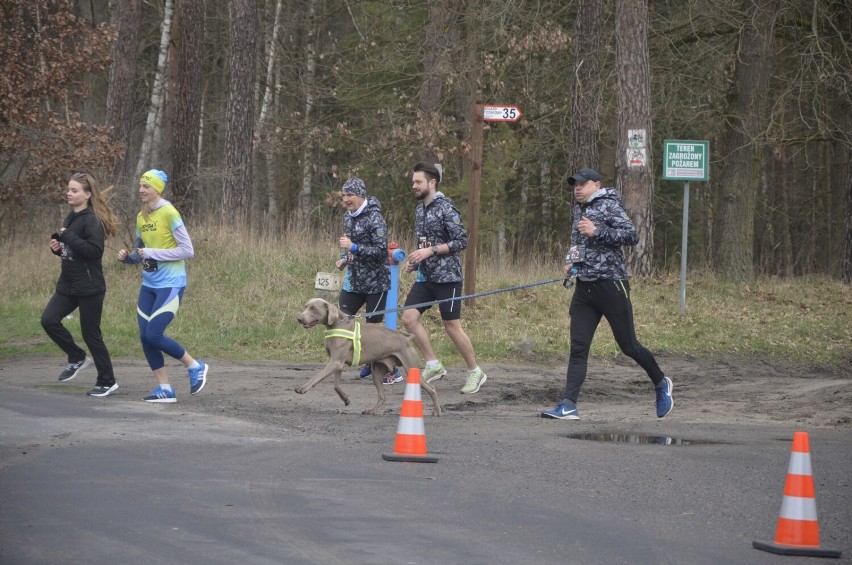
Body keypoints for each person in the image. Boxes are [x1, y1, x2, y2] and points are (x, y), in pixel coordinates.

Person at [541, 167, 673, 420]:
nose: (577, 188)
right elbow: (578, 244)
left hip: (611, 285)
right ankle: (569, 404)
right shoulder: (579, 210)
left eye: (582, 183)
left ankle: (660, 382)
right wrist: (571, 263)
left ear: (597, 184)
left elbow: (632, 236)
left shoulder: (609, 205)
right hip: (584, 289)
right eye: (574, 184)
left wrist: (597, 231)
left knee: (629, 346)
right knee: (578, 348)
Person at [117, 169, 208, 403]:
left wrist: (152, 253)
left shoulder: (169, 212)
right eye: (139, 186)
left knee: (154, 334)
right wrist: (128, 257)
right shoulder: (141, 216)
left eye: (145, 186)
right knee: (145, 337)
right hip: (149, 285)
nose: (140, 190)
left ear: (157, 188)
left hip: (171, 284)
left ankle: (195, 365)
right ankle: (165, 388)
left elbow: (188, 250)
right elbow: (140, 251)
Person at [401, 162, 486, 394]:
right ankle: (433, 363)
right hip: (425, 277)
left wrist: (431, 251)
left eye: (418, 182)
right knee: (408, 317)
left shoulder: (447, 208)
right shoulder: (420, 210)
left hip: (448, 278)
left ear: (432, 182)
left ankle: (474, 371)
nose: (414, 186)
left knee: (451, 326)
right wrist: (416, 260)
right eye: (413, 182)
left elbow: (461, 241)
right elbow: (424, 243)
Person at [41, 172, 120, 397]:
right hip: (68, 284)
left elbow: (94, 252)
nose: (69, 193)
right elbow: (72, 252)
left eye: (74, 190)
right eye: (68, 189)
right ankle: (76, 357)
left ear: (87, 194)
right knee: (48, 320)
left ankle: (107, 381)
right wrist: (57, 248)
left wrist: (68, 238)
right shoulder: (71, 217)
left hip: (90, 287)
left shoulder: (91, 220)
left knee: (91, 334)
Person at [334, 177, 401, 384]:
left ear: (360, 195)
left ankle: (391, 370)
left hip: (376, 282)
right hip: (354, 280)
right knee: (342, 319)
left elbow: (380, 252)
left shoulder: (375, 218)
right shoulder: (348, 217)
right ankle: (358, 360)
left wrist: (353, 248)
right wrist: (346, 259)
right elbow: (354, 249)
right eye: (343, 195)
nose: (345, 199)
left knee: (373, 329)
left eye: (349, 195)